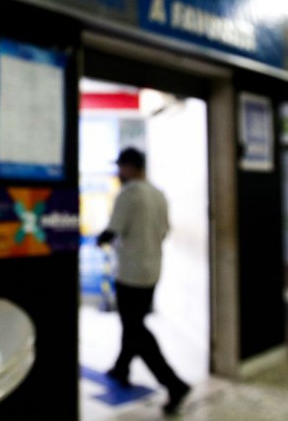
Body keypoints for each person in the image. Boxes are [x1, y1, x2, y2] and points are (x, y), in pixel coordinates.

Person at [96, 147, 190, 415]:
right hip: (152, 271)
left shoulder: (129, 194)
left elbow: (112, 230)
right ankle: (121, 368)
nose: (118, 172)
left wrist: (98, 239)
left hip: (130, 274)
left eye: (120, 167)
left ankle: (174, 384)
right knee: (133, 321)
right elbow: (165, 230)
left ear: (129, 167)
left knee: (135, 328)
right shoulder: (158, 193)